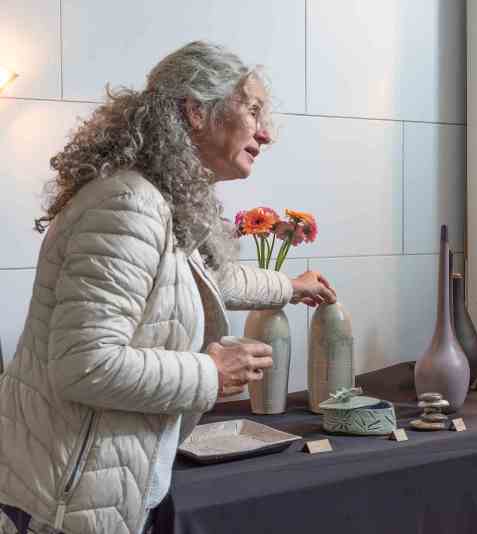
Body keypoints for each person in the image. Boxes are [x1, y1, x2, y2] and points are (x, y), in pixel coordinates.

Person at [0, 41, 336, 534]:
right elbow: (84, 364)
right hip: (63, 507)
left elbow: (206, 277)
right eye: (252, 110)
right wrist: (211, 372)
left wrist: (289, 286)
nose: (265, 133)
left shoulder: (156, 202)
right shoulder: (128, 206)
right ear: (196, 112)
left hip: (98, 494)